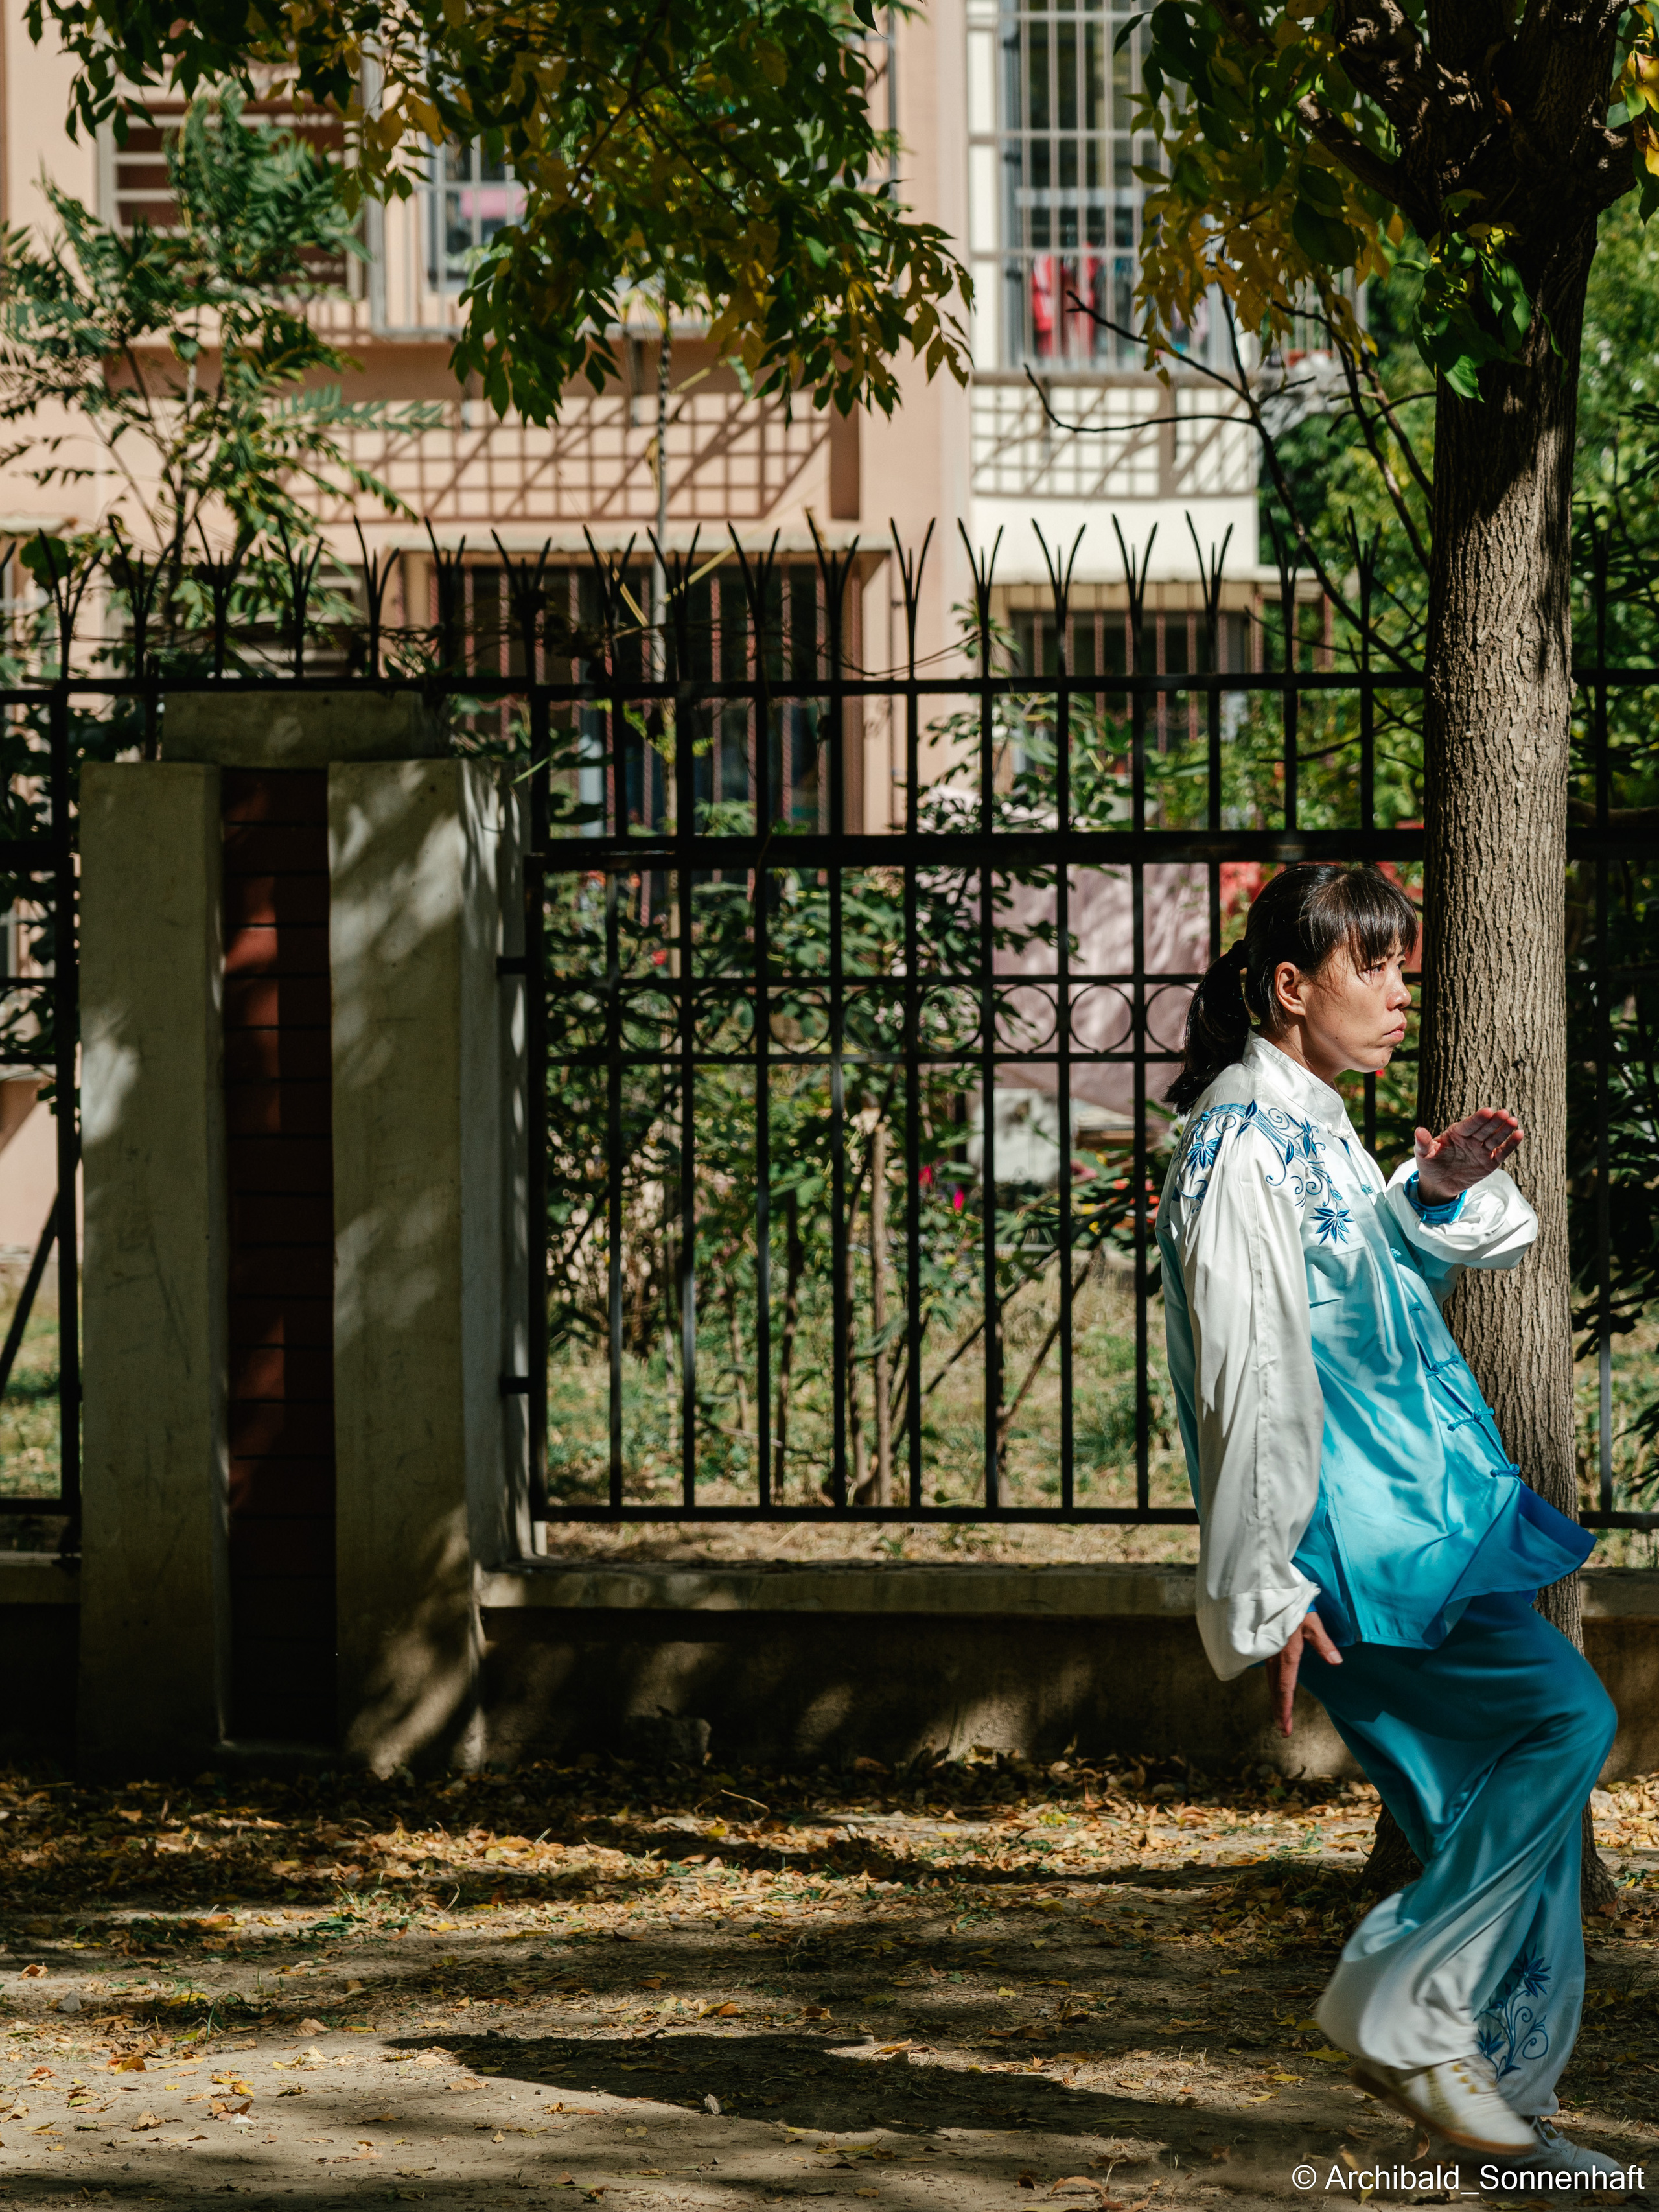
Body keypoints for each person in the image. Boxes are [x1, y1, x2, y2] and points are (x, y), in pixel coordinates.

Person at [1157, 863, 1621, 2185]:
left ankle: (1495, 2122)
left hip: (1417, 1524)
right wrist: (1265, 1583)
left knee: (1475, 1804)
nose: (1401, 996)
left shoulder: (1305, 1128)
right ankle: (1400, 1999)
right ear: (1293, 987)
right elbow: (1242, 1369)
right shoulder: (1238, 1142)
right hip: (1357, 1549)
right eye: (1378, 969)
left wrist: (1425, 1196)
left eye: (1405, 970)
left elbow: (1355, 1285)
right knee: (1560, 1721)